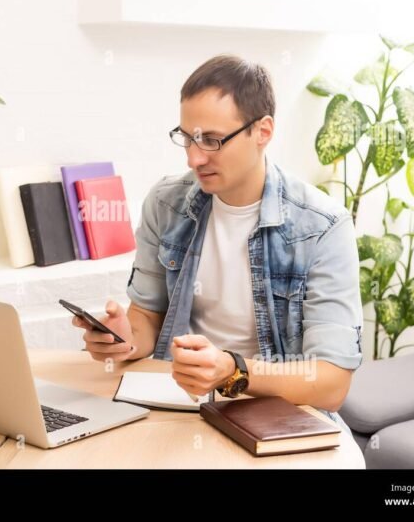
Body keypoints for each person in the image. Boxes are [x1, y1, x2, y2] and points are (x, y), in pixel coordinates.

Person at [71, 55, 363, 419]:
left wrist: (232, 370)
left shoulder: (322, 227)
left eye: (211, 140)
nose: (194, 159)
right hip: (176, 404)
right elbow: (146, 317)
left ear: (263, 131)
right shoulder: (166, 203)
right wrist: (124, 338)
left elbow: (331, 384)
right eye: (187, 138)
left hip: (274, 417)